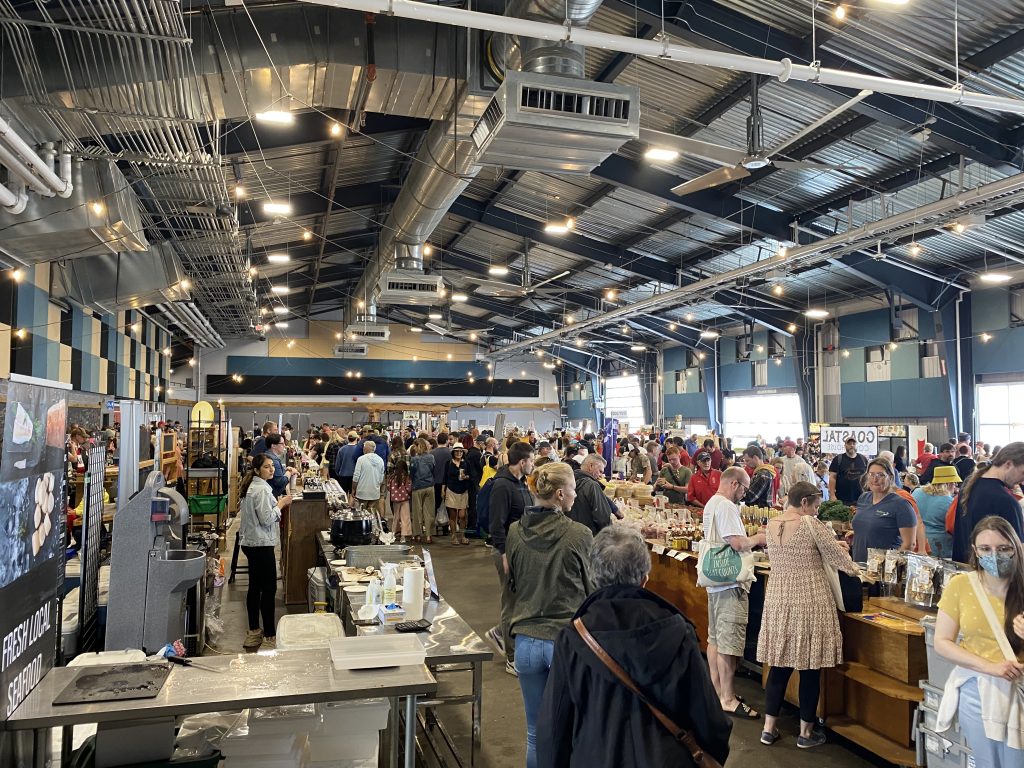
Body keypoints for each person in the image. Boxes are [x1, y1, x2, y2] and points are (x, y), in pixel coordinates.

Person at [537, 526, 731, 767]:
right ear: (644, 578)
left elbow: (554, 726)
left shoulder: (574, 637)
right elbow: (710, 718)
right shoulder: (678, 631)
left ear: (593, 576)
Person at [758, 482, 860, 748]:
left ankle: (768, 729)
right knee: (810, 669)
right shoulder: (811, 525)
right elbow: (838, 560)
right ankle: (805, 733)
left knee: (779, 666)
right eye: (815, 506)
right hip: (810, 600)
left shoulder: (771, 524)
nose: (816, 511)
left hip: (779, 599)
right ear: (804, 502)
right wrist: (853, 564)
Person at [506, 462, 594, 768]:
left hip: (526, 642)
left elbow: (513, 582)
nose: (575, 495)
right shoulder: (579, 534)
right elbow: (591, 589)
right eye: (572, 489)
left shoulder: (515, 532)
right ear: (559, 494)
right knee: (574, 730)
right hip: (565, 643)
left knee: (534, 732)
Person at [934, 516, 1024, 767]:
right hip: (977, 691)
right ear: (975, 550)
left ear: (1016, 547)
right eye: (985, 549)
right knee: (986, 761)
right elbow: (942, 641)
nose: (994, 555)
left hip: (1021, 690)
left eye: (1003, 548)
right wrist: (991, 667)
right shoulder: (961, 585)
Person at [702, 466, 767, 719]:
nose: (744, 493)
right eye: (744, 488)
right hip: (730, 583)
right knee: (728, 643)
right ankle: (728, 699)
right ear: (734, 484)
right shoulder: (727, 506)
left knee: (715, 639)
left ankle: (719, 693)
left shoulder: (712, 503)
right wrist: (758, 538)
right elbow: (737, 542)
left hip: (715, 581)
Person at [487, 442, 535, 676]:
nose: (533, 465)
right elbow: (496, 524)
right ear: (523, 462)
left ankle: (499, 632)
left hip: (520, 549)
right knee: (511, 602)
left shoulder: (521, 482)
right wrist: (504, 554)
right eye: (532, 461)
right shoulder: (503, 486)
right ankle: (512, 657)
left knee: (519, 598)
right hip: (506, 551)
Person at [239, 454, 291, 650]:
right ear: (257, 470)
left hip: (254, 542)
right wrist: (281, 504)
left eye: (272, 466)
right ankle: (268, 634)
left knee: (255, 587)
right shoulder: (260, 490)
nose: (272, 470)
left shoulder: (256, 486)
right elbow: (267, 519)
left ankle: (255, 630)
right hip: (259, 544)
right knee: (267, 590)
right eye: (267, 467)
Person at [952, 443, 1024, 563]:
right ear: (1008, 464)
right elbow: (1019, 551)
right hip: (994, 576)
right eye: (1022, 473)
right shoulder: (1006, 501)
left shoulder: (970, 484)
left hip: (967, 568)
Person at [849, 457, 917, 561]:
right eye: (871, 474)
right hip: (858, 566)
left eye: (880, 475)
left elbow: (909, 544)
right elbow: (872, 527)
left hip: (882, 572)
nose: (875, 479)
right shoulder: (863, 498)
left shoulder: (901, 505)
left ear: (890, 477)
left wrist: (890, 567)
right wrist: (858, 534)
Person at [913, 466, 961, 558]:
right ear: (948, 484)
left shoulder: (917, 492)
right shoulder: (949, 502)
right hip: (939, 549)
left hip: (916, 544)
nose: (955, 486)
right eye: (955, 483)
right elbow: (953, 528)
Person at [569, 454, 618, 534]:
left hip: (571, 532)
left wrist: (615, 509)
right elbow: (602, 518)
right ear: (591, 466)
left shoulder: (570, 478)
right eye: (600, 471)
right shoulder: (592, 485)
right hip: (588, 534)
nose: (600, 476)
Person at [409, 439, 436, 544]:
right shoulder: (431, 457)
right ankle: (429, 535)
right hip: (429, 486)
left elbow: (412, 473)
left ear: (417, 446)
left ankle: (418, 535)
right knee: (429, 512)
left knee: (417, 512)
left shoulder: (414, 459)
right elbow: (433, 469)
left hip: (417, 487)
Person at [828, 437, 868, 505]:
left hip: (861, 498)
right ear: (845, 445)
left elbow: (868, 477)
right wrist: (832, 495)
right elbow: (832, 477)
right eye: (849, 443)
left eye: (853, 443)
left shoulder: (863, 459)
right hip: (842, 499)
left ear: (856, 445)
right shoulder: (838, 459)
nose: (852, 445)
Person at [445, 445, 472, 545]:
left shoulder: (466, 463)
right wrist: (443, 490)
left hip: (463, 490)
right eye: (456, 451)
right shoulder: (448, 463)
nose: (459, 453)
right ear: (453, 452)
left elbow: (471, 475)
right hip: (451, 490)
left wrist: (466, 477)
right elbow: (445, 477)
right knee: (453, 515)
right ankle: (453, 536)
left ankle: (463, 536)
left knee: (463, 515)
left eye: (460, 451)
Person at [352, 441, 385, 512]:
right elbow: (381, 479)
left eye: (364, 448)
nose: (363, 449)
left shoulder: (361, 459)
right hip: (375, 493)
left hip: (362, 492)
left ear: (366, 449)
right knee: (372, 515)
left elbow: (356, 477)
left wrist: (353, 489)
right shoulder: (380, 460)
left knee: (361, 514)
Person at [387, 458, 413, 543]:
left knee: (396, 517)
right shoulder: (406, 477)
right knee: (405, 517)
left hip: (395, 500)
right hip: (404, 499)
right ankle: (403, 536)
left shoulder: (392, 477)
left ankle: (393, 534)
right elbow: (409, 488)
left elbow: (388, 488)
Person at [264, 434, 296, 498]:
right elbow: (280, 482)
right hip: (272, 496)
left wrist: (286, 470)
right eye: (282, 444)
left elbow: (278, 474)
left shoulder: (267, 454)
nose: (284, 446)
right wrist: (289, 472)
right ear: (273, 446)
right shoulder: (273, 460)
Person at [431, 432, 452, 518]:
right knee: (447, 506)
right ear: (447, 441)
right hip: (448, 483)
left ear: (437, 440)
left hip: (435, 482)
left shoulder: (431, 453)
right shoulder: (451, 453)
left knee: (435, 505)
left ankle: (434, 525)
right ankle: (446, 527)